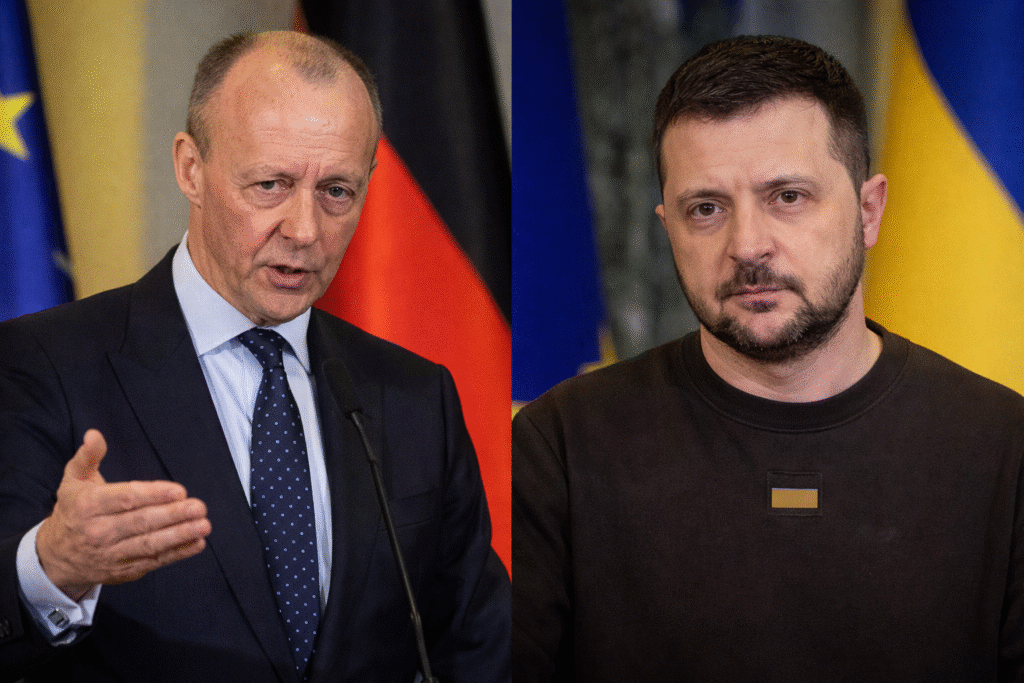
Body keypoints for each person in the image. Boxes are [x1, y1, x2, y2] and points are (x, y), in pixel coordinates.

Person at [0, 31, 509, 682]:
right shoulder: (42, 366)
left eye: (337, 192)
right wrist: (51, 568)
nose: (305, 230)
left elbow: (478, 644)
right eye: (271, 184)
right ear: (191, 169)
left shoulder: (414, 395)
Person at [512, 34, 1024, 682]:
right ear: (666, 224)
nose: (748, 245)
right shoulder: (557, 446)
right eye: (706, 208)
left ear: (869, 211)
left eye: (787, 197)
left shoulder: (1004, 449)